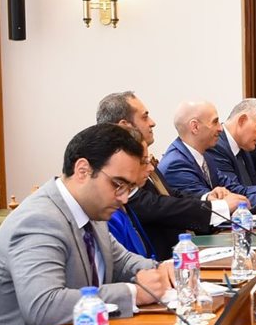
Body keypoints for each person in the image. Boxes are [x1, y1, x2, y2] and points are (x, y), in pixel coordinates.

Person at [0, 125, 175, 325]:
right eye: (118, 185)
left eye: (128, 188)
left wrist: (163, 269)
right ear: (82, 171)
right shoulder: (39, 219)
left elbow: (122, 262)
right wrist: (132, 294)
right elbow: (43, 305)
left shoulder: (92, 210)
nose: (123, 199)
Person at [97, 90, 231, 259]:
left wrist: (207, 198)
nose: (152, 123)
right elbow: (155, 205)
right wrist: (218, 207)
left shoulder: (146, 161)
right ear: (125, 125)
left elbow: (171, 195)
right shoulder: (116, 172)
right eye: (145, 117)